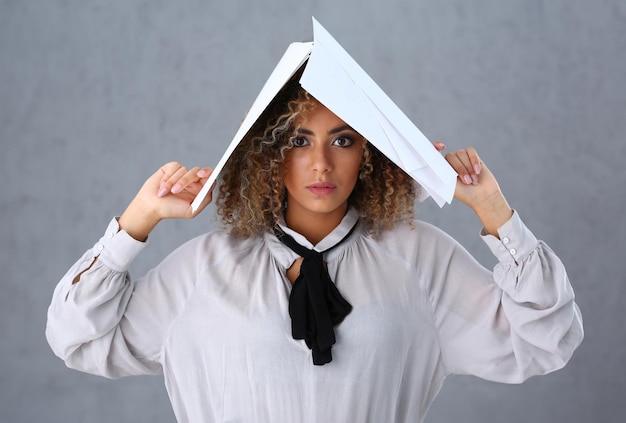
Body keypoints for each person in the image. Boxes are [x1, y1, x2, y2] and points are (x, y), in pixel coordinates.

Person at [46, 28, 583, 423]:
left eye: (343, 140)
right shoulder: (201, 270)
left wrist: (494, 210)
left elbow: (546, 341)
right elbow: (76, 339)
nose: (321, 163)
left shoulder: (421, 260)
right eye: (299, 141)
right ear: (267, 152)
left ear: (370, 156)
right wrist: (136, 223)